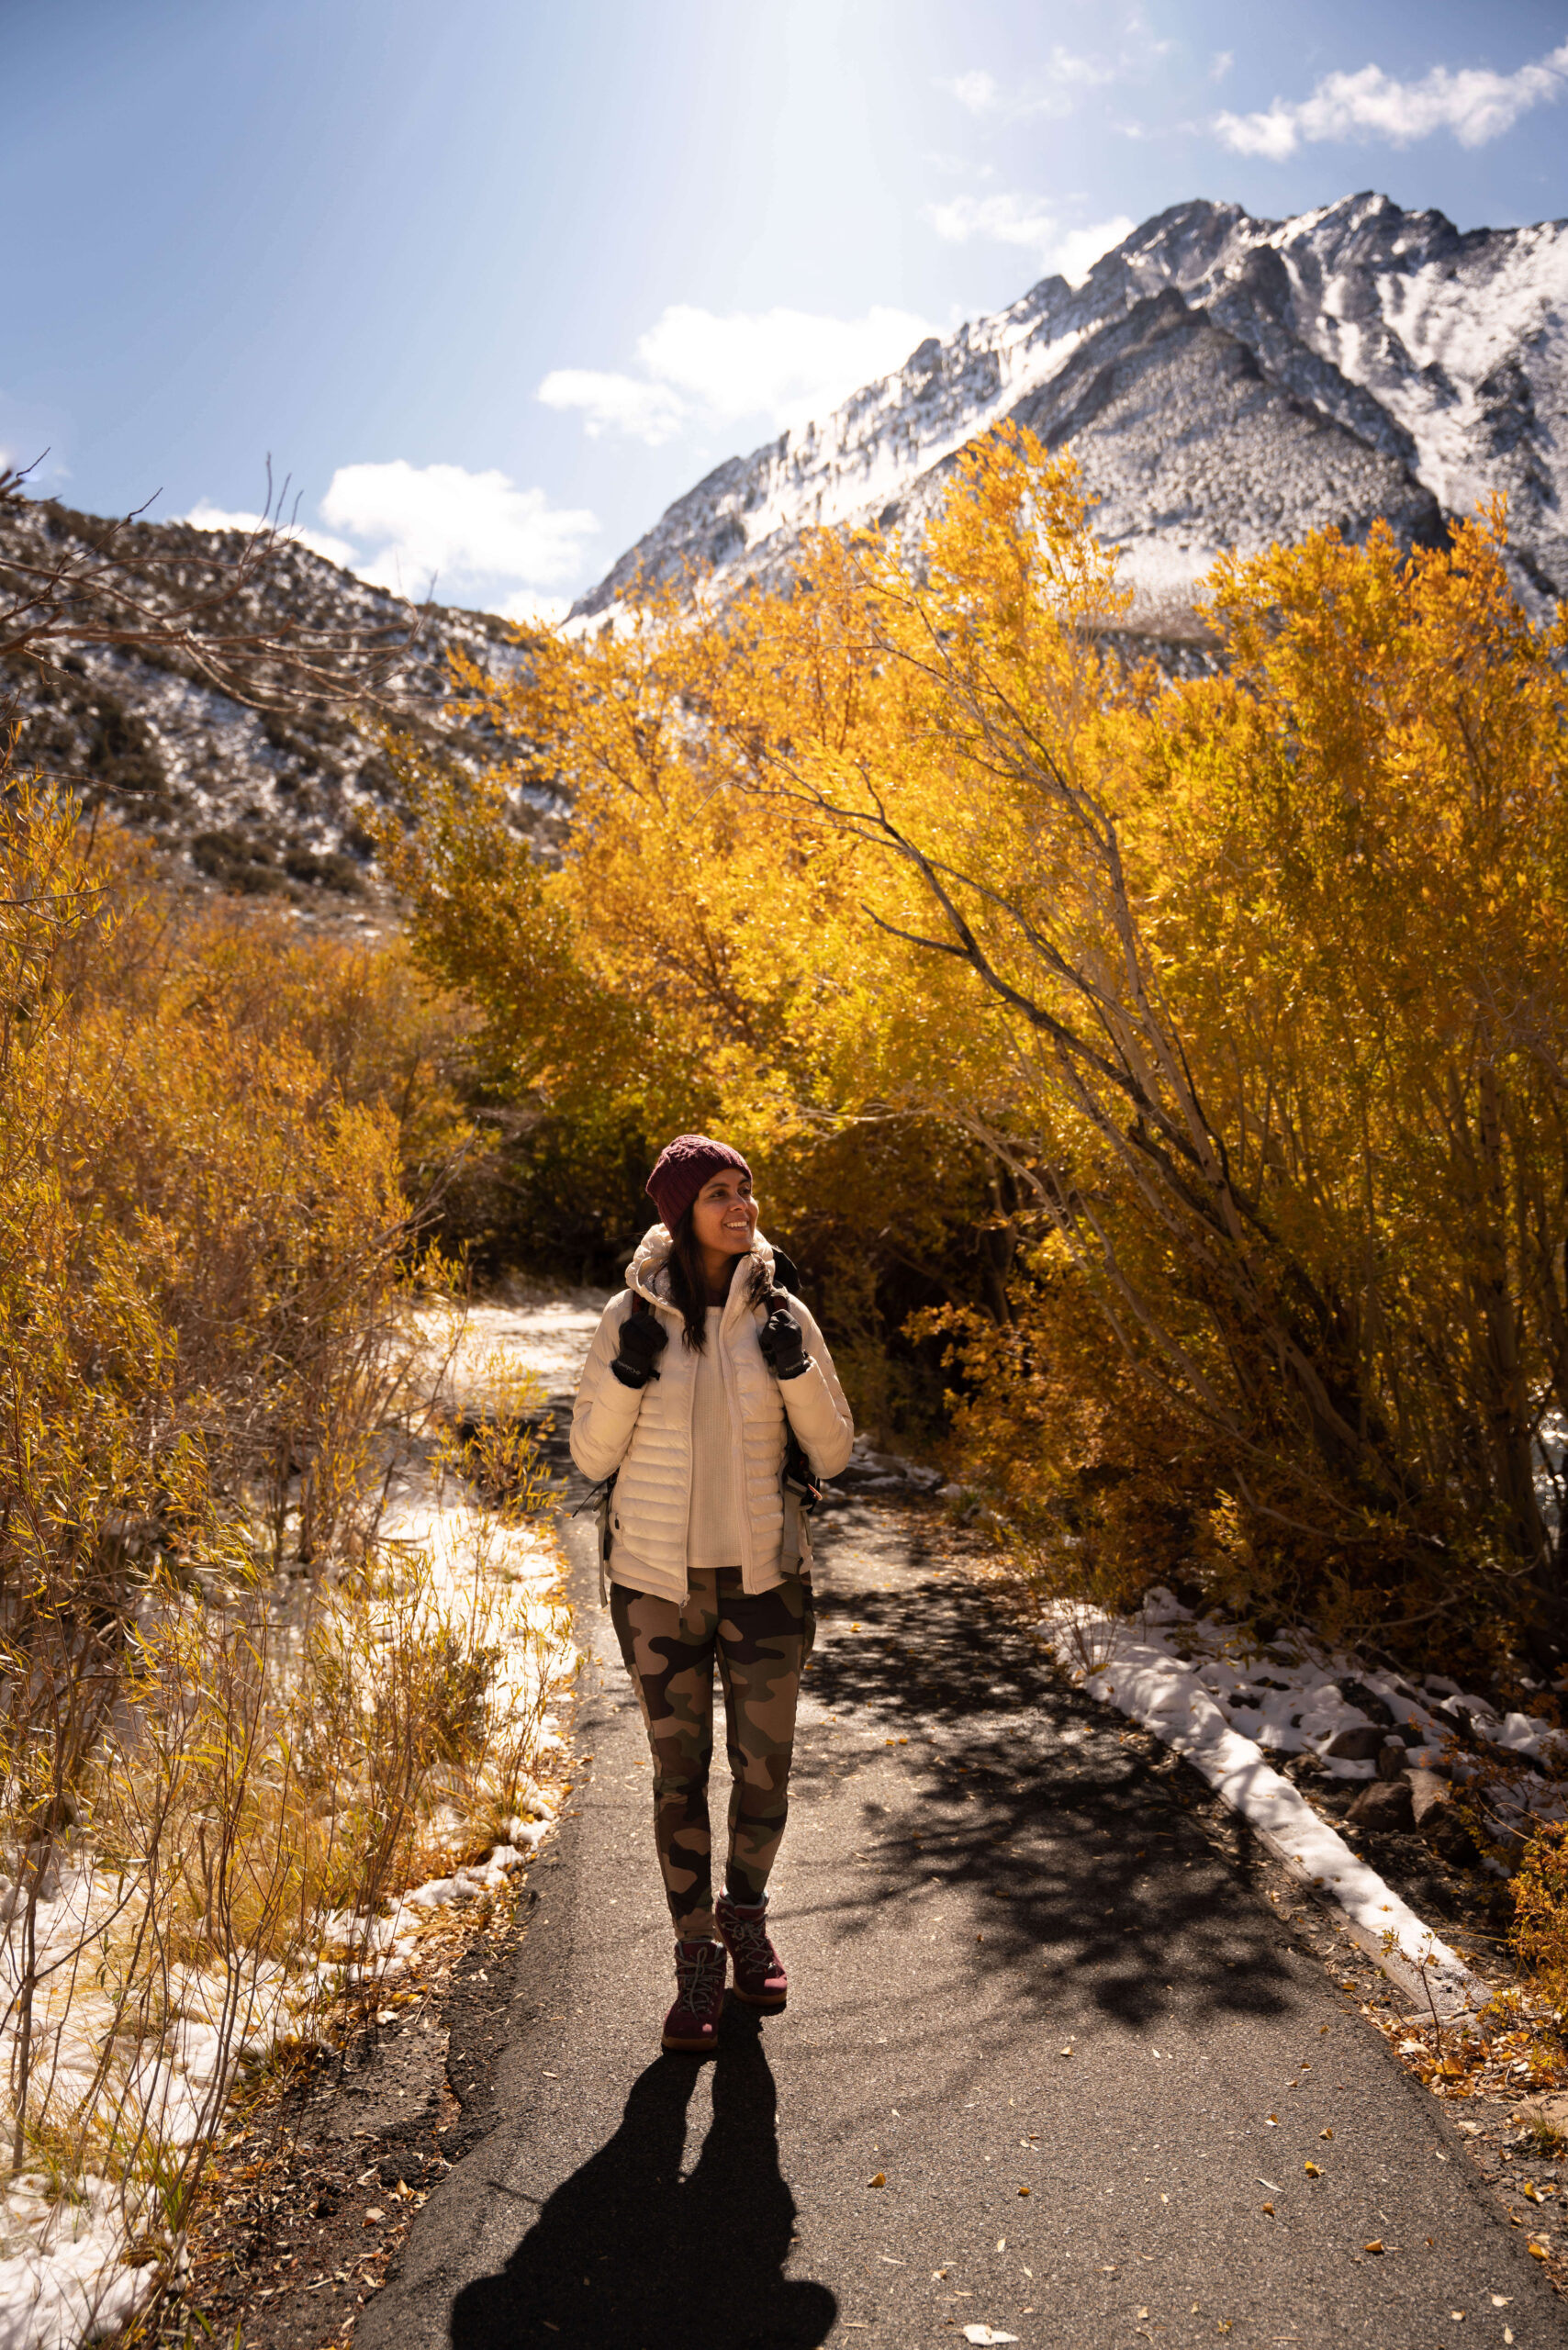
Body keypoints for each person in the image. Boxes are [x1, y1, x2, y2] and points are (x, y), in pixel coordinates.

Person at [571, 1134, 854, 2054]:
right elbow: (589, 1456)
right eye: (720, 1193)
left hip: (767, 1579)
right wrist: (628, 1369)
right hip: (656, 1588)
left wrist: (792, 1368)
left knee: (764, 1770)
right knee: (678, 1776)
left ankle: (746, 1916)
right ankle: (695, 1956)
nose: (743, 1206)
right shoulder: (629, 1316)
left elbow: (837, 1450)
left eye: (746, 1190)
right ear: (679, 1211)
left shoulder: (783, 1312)